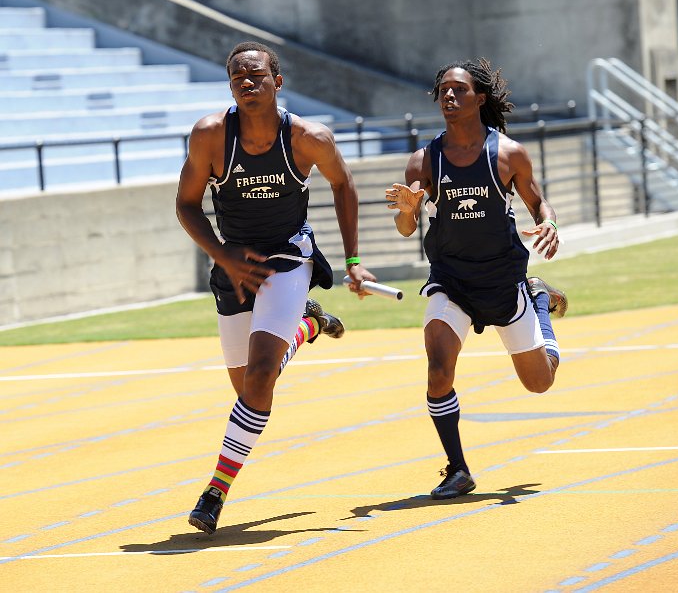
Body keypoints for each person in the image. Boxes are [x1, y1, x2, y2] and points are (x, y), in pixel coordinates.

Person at [177, 41, 376, 534]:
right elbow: (186, 205)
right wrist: (222, 255)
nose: (248, 81)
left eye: (257, 74)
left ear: (277, 81)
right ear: (230, 86)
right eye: (238, 76)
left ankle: (215, 493)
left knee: (261, 377)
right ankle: (308, 324)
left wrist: (353, 261)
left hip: (288, 258)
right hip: (236, 266)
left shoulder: (308, 137)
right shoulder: (210, 136)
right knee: (248, 390)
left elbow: (343, 183)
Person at [385, 58, 568, 500]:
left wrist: (550, 225)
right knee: (437, 368)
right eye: (442, 90)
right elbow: (408, 228)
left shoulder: (507, 153)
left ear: (479, 99)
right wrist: (409, 212)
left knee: (539, 383)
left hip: (504, 281)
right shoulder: (424, 160)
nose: (448, 96)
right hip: (452, 280)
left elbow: (539, 206)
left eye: (459, 90)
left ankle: (538, 298)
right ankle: (458, 468)